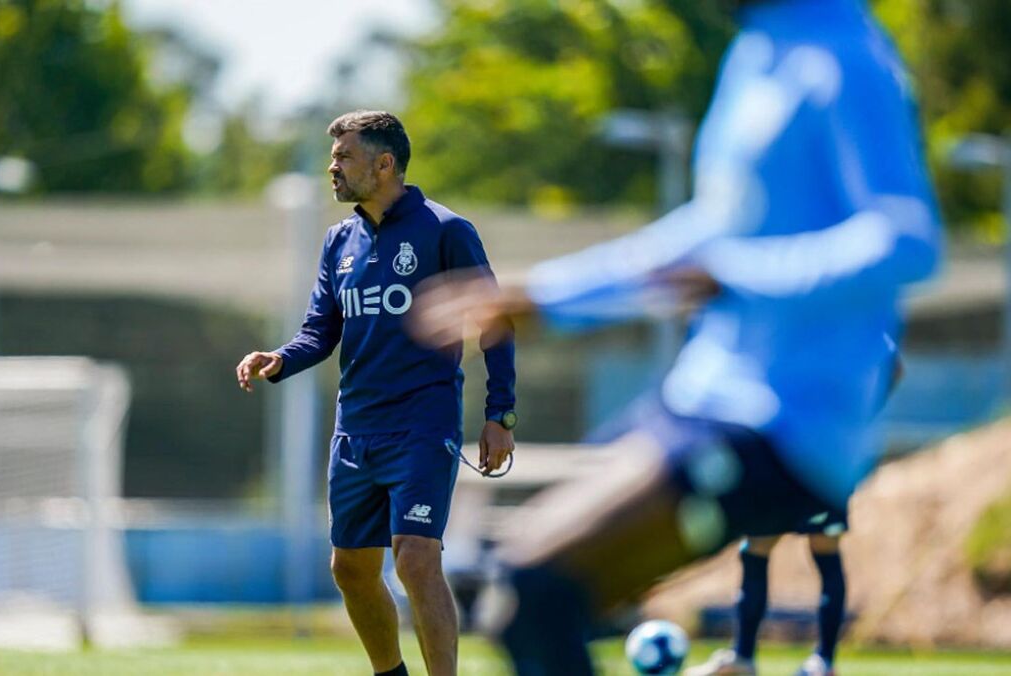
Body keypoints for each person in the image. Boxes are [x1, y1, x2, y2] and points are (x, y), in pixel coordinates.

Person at [406, 0, 941, 674]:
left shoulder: (847, 58)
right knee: (521, 596)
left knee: (536, 590)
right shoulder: (755, 51)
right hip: (704, 398)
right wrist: (549, 295)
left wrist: (738, 274)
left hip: (786, 428)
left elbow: (906, 240)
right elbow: (711, 230)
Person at [236, 110, 517, 676]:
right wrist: (281, 358)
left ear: (384, 163)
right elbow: (321, 330)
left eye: (344, 157)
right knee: (349, 569)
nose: (332, 168)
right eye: (333, 157)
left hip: (422, 428)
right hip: (356, 432)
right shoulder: (338, 240)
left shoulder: (446, 231)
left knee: (415, 558)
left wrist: (500, 414)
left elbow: (495, 322)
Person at [686, 340, 903, 676]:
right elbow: (893, 365)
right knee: (794, 550)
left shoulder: (827, 327)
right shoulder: (843, 330)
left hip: (797, 457)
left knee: (781, 550)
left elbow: (892, 364)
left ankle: (757, 658)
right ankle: (813, 661)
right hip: (811, 457)